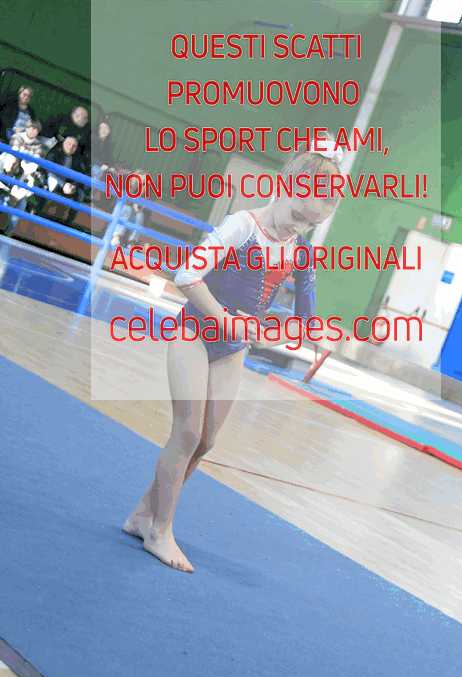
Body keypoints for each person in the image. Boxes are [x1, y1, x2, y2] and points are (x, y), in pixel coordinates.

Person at [123, 139, 343, 572]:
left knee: (205, 442)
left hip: (232, 348)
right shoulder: (242, 226)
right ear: (285, 187)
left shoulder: (299, 249)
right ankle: (160, 531)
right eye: (298, 215)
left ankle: (142, 515)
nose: (299, 227)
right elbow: (187, 274)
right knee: (187, 433)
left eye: (310, 224)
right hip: (195, 333)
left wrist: (319, 333)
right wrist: (226, 321)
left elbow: (306, 316)